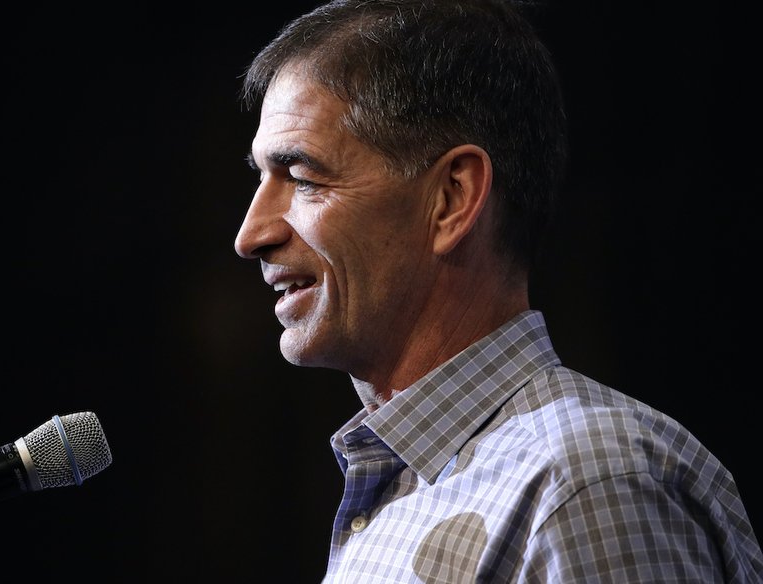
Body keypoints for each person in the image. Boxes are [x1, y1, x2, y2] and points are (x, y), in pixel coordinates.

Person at [232, 0, 763, 581]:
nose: (250, 235)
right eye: (260, 179)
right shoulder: (404, 490)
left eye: (304, 178)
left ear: (452, 200)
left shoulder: (587, 481)